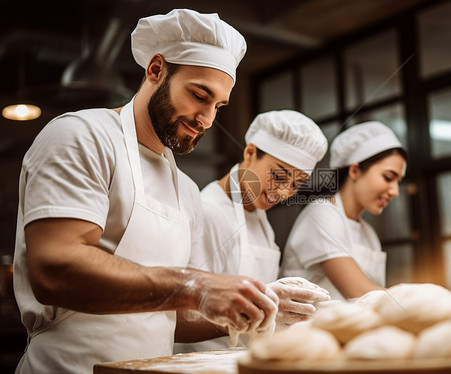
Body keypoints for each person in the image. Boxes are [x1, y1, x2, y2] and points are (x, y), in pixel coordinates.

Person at [13, 9, 278, 374]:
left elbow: (170, 316)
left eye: (218, 105)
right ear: (156, 70)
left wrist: (254, 307)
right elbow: (55, 269)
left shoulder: (185, 190)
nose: (207, 120)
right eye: (200, 95)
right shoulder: (82, 136)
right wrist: (196, 286)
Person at [185, 110, 331, 351]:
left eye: (296, 184)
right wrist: (261, 309)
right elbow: (185, 313)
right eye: (278, 175)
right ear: (250, 152)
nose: (283, 192)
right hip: (206, 362)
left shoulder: (259, 217)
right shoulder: (209, 211)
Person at [280, 121, 408, 300]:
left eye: (398, 182)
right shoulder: (321, 214)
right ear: (355, 171)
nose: (395, 191)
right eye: (388, 178)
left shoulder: (368, 233)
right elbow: (360, 293)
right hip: (311, 328)